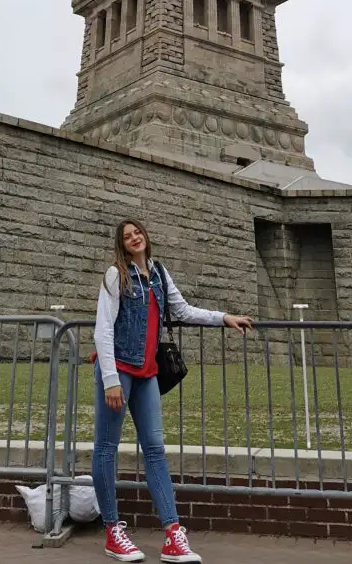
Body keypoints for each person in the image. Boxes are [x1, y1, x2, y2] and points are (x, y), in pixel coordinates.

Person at [92, 219, 252, 562]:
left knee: (155, 448)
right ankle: (112, 531)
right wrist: (110, 379)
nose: (134, 238)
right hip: (118, 370)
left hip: (147, 371)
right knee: (106, 447)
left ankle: (172, 534)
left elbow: (183, 310)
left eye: (138, 232)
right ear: (121, 244)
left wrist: (224, 317)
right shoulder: (115, 275)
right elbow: (103, 330)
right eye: (127, 236)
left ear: (146, 236)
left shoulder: (160, 274)